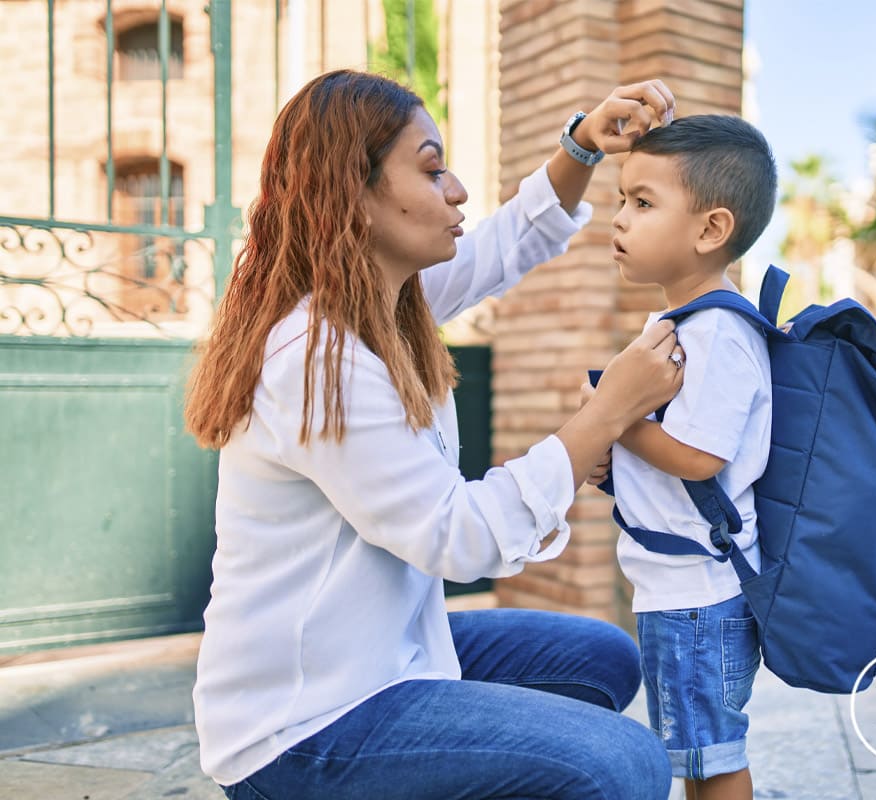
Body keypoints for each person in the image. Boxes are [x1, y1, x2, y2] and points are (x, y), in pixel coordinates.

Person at [183, 69, 684, 800]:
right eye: (431, 168)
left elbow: (506, 244)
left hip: (383, 656)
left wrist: (582, 146)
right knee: (624, 764)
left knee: (604, 658)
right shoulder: (317, 360)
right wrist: (606, 415)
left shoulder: (382, 307)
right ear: (351, 194)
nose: (457, 191)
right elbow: (461, 538)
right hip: (304, 726)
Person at [585, 115, 777, 800]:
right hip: (677, 591)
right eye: (619, 201)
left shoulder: (719, 332)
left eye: (642, 203)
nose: (620, 220)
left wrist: (616, 414)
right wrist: (619, 457)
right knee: (697, 756)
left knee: (711, 759)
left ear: (710, 230)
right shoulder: (677, 325)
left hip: (699, 597)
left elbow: (699, 457)